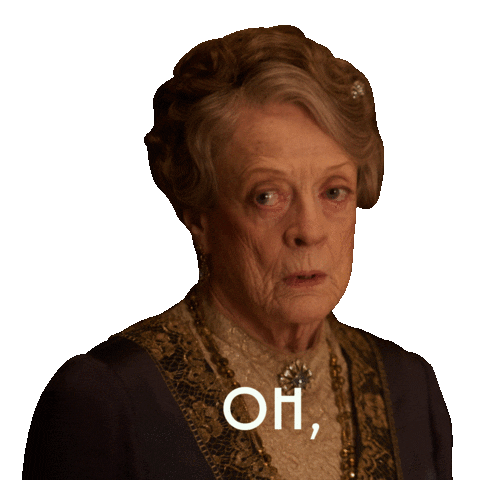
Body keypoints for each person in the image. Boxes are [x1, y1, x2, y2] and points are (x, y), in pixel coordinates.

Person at [23, 26, 452, 480]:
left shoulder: (410, 386)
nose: (309, 231)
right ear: (199, 219)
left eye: (334, 192)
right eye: (267, 196)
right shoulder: (110, 397)